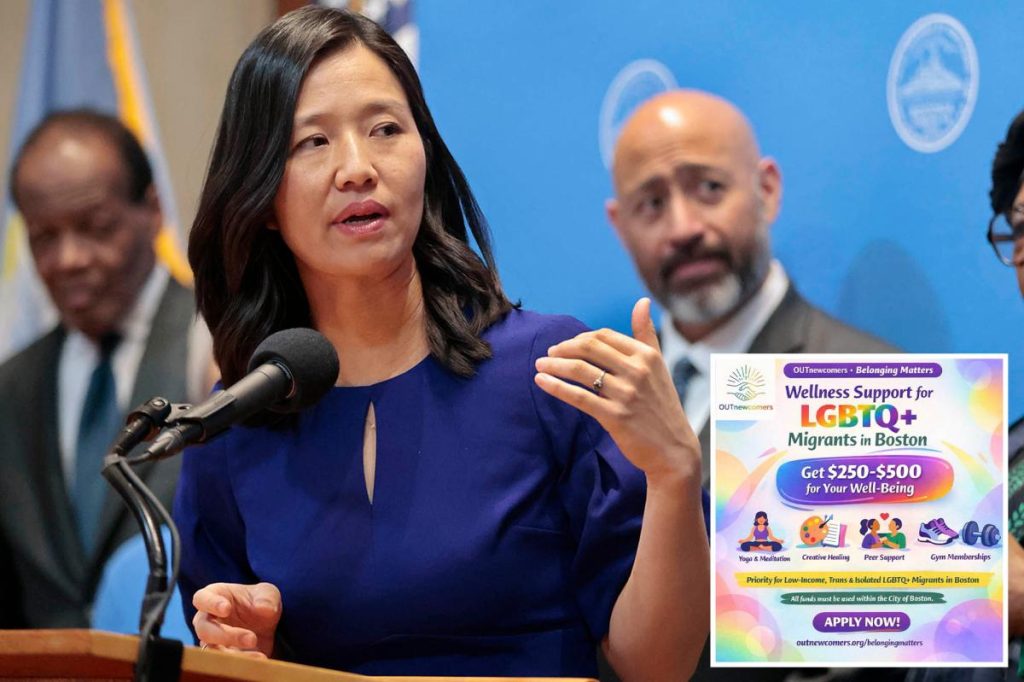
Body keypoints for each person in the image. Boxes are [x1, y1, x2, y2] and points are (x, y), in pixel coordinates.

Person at [173, 7, 708, 680]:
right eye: (313, 142)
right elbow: (225, 654)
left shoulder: (552, 373)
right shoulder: (233, 426)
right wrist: (254, 648)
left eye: (385, 129)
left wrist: (674, 474)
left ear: (424, 153)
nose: (357, 168)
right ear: (262, 195)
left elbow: (656, 666)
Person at [606, 89, 895, 481]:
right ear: (621, 227)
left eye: (709, 188)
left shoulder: (870, 388)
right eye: (652, 204)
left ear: (767, 191)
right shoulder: (596, 400)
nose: (683, 229)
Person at [0, 110, 209, 627]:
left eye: (95, 228)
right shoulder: (11, 388)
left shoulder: (218, 348)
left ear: (153, 210)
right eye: (44, 237)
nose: (68, 258)